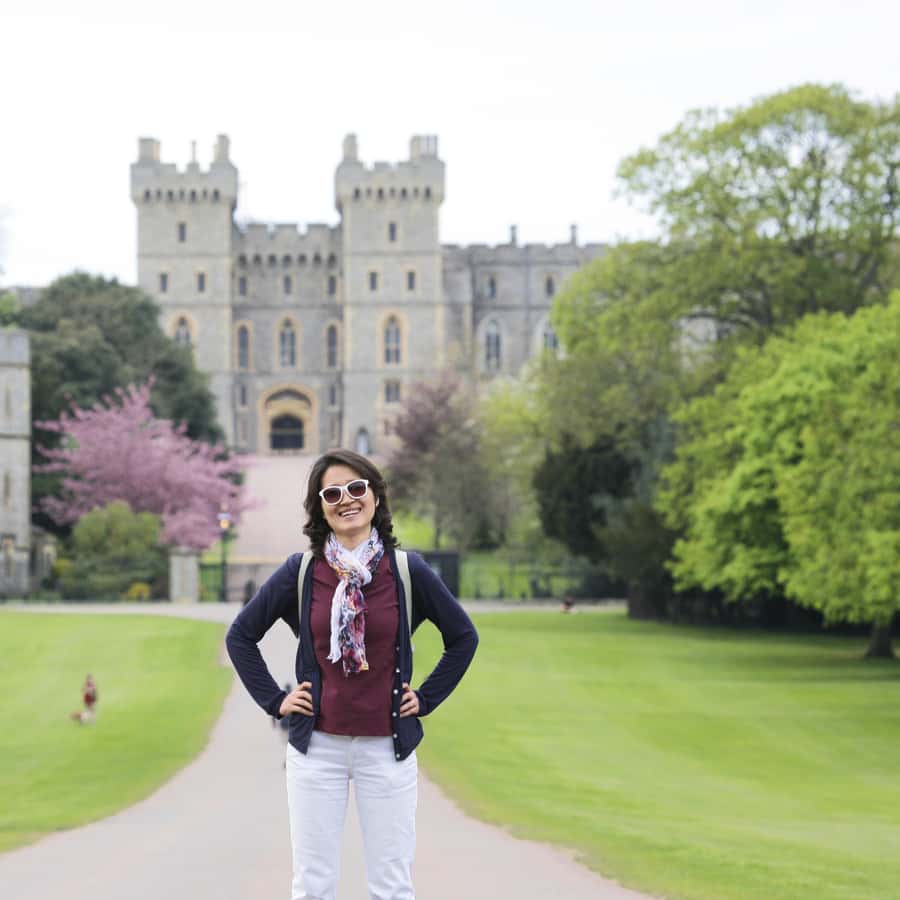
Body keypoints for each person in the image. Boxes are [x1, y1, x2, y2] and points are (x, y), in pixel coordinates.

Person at [226, 449, 478, 900]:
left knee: (391, 886)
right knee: (313, 886)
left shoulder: (407, 571)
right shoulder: (302, 571)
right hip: (317, 750)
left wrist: (426, 698)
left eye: (356, 488)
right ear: (320, 507)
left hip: (387, 749)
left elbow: (463, 637)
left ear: (375, 497)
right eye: (332, 493)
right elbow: (241, 636)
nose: (346, 499)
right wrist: (276, 701)